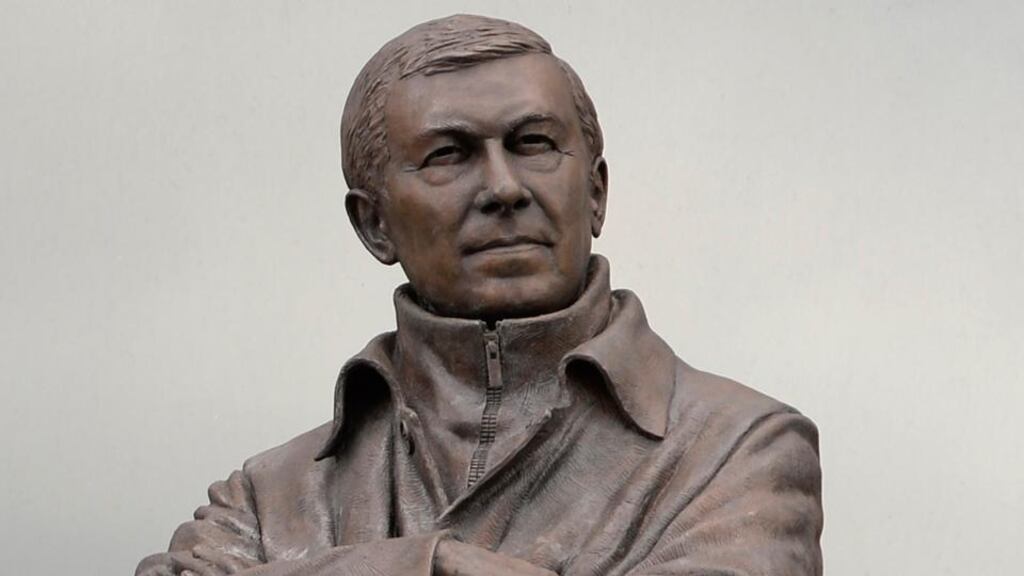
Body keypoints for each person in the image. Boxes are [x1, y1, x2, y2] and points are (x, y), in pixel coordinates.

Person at [136, 14, 822, 576]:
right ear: (374, 223)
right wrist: (429, 566)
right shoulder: (272, 495)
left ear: (597, 193)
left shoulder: (737, 449)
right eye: (448, 156)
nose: (503, 188)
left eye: (534, 144)